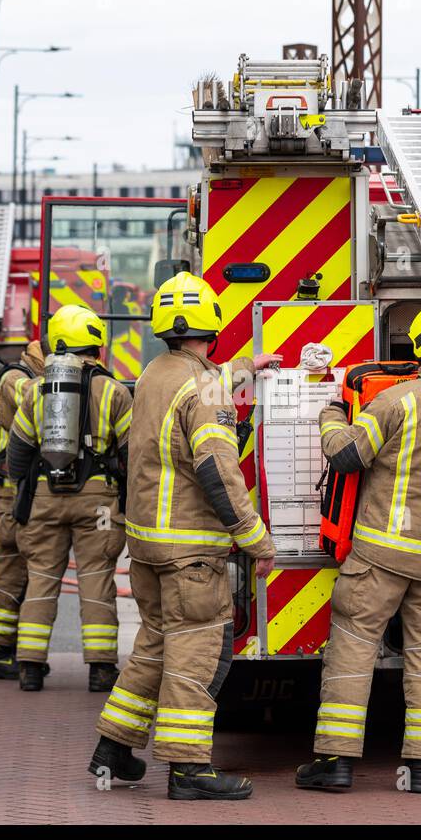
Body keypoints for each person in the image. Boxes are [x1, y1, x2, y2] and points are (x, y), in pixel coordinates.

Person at [295, 297, 421, 795]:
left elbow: (346, 455)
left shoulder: (397, 401)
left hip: (379, 556)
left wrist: (330, 414)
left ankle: (336, 762)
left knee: (354, 648)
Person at [87, 272, 278, 801]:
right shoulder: (207, 386)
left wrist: (245, 369)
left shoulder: (152, 373)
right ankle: (188, 770)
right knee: (197, 655)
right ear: (212, 327)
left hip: (148, 545)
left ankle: (114, 746)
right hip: (190, 550)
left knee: (154, 646)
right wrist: (256, 537)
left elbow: (197, 388)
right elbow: (217, 467)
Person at [6, 305, 133, 692]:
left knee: (40, 579)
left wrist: (29, 489)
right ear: (96, 342)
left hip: (44, 497)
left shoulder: (38, 389)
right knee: (96, 580)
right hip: (97, 502)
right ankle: (100, 669)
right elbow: (131, 455)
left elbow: (17, 452)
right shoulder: (114, 390)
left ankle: (29, 666)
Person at [0, 341, 45, 679]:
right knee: (11, 564)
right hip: (7, 492)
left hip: (19, 491)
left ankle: (13, 649)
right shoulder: (14, 380)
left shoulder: (26, 377)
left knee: (23, 567)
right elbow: (38, 403)